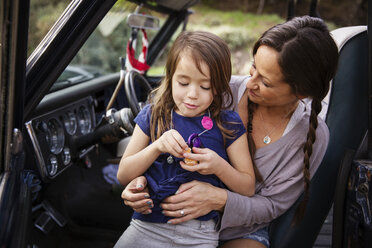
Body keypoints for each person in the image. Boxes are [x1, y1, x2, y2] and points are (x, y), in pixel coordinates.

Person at [120, 15, 339, 248]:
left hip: (239, 229)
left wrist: (219, 199)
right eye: (253, 67)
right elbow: (140, 161)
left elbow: (272, 205)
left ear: (300, 92)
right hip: (161, 221)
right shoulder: (217, 90)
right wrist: (137, 184)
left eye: (265, 82)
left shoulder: (309, 136)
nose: (249, 83)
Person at [114, 31, 256, 248]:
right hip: (147, 226)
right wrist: (157, 146)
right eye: (183, 82)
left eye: (205, 86)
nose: (192, 94)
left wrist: (219, 166)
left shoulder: (228, 122)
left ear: (217, 88)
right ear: (171, 78)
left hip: (199, 234)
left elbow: (247, 187)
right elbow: (123, 174)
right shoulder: (153, 116)